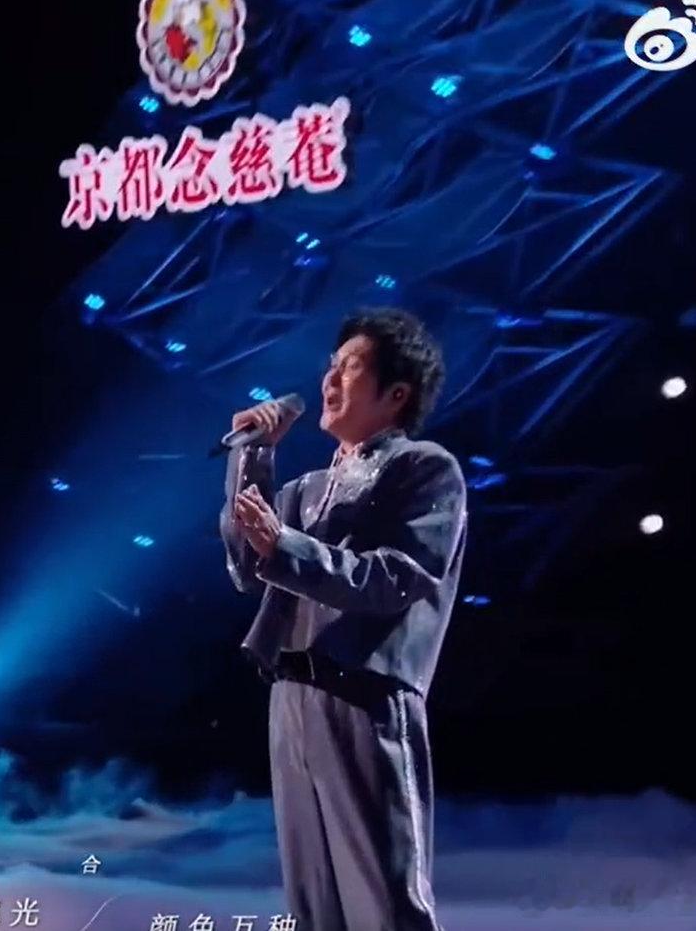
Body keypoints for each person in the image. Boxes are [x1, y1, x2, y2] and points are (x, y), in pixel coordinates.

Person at [220, 309, 467, 931]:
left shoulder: (425, 467)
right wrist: (253, 456)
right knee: (314, 904)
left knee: (383, 898)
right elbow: (246, 568)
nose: (329, 380)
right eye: (330, 366)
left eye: (350, 367)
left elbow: (395, 577)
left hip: (365, 698)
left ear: (396, 393)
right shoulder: (305, 489)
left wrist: (285, 545)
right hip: (291, 700)